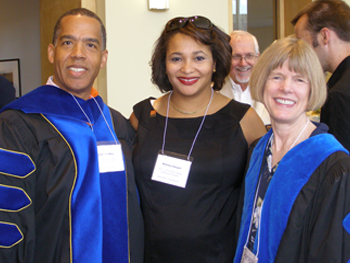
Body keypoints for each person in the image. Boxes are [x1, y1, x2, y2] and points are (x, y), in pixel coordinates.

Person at [0, 8, 143, 263]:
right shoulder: (18, 125)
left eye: (90, 44)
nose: (78, 54)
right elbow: (8, 221)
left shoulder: (117, 125)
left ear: (103, 57)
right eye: (68, 42)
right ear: (52, 52)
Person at [130, 16, 266, 262]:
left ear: (215, 63)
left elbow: (264, 198)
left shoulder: (244, 120)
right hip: (150, 256)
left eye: (199, 57)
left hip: (219, 256)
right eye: (176, 58)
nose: (187, 68)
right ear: (164, 63)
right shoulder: (142, 117)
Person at [234, 36, 350, 263]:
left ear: (312, 90)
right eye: (276, 77)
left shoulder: (333, 164)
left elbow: (333, 252)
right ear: (262, 82)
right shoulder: (259, 150)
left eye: (299, 80)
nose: (285, 88)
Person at [292, 0, 350, 152]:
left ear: (324, 36)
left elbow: (339, 170)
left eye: (302, 43)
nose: (301, 54)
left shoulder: (339, 95)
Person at [220, 30, 270, 126]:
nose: (243, 63)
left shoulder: (272, 90)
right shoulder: (213, 91)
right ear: (226, 58)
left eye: (249, 56)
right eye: (236, 56)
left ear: (257, 57)